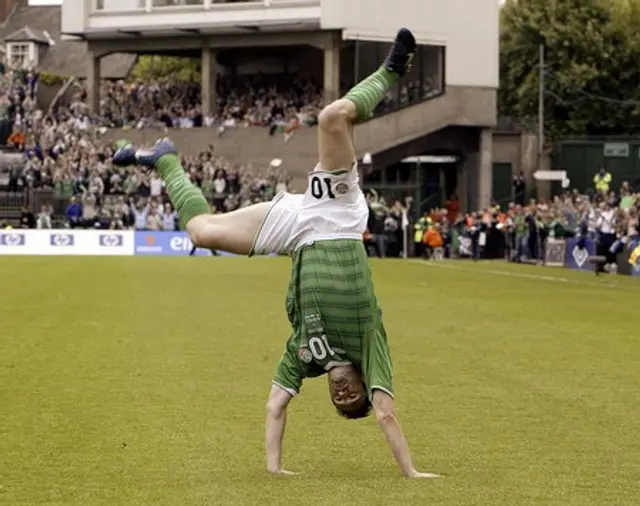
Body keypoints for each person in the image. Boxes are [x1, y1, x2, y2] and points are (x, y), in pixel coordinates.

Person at [113, 28, 438, 479]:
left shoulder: (307, 355)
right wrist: (411, 473)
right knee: (332, 118)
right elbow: (385, 414)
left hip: (297, 234)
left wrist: (274, 469)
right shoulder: (370, 345)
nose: (344, 396)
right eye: (354, 398)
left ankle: (165, 160)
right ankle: (391, 70)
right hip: (338, 219)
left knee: (200, 231)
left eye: (338, 401)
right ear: (365, 384)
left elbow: (275, 405)